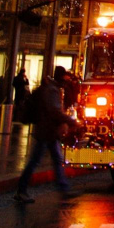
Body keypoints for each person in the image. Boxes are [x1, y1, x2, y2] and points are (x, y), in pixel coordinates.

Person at [13, 67, 73, 203]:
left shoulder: (51, 88)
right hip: (46, 132)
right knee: (36, 161)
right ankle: (22, 190)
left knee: (55, 159)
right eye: (65, 77)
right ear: (61, 77)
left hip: (48, 131)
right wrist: (69, 120)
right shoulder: (52, 90)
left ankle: (63, 189)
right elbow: (54, 111)